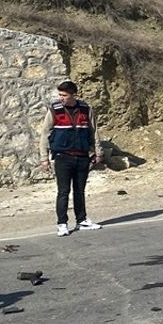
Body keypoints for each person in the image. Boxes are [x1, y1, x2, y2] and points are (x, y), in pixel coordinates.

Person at [38, 80, 103, 236]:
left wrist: (98, 152)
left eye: (64, 95)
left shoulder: (86, 109)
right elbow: (45, 134)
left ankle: (82, 220)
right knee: (63, 192)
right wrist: (44, 158)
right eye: (59, 94)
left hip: (82, 157)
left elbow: (94, 131)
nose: (61, 98)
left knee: (79, 191)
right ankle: (62, 224)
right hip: (62, 157)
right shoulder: (55, 110)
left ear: (74, 95)